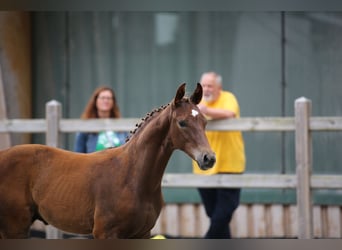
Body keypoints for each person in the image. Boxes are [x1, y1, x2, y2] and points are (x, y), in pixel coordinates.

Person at [192, 71, 246, 239]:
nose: (206, 89)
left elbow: (230, 113)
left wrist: (206, 110)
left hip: (229, 165)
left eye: (210, 86)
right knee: (214, 214)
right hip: (204, 167)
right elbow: (188, 117)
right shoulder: (196, 103)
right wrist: (197, 110)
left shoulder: (228, 98)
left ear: (219, 88)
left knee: (223, 213)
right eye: (203, 85)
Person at [74, 86, 128, 153]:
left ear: (113, 102)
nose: (106, 101)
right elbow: (79, 153)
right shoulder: (86, 127)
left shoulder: (121, 126)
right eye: (102, 98)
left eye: (109, 98)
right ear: (95, 101)